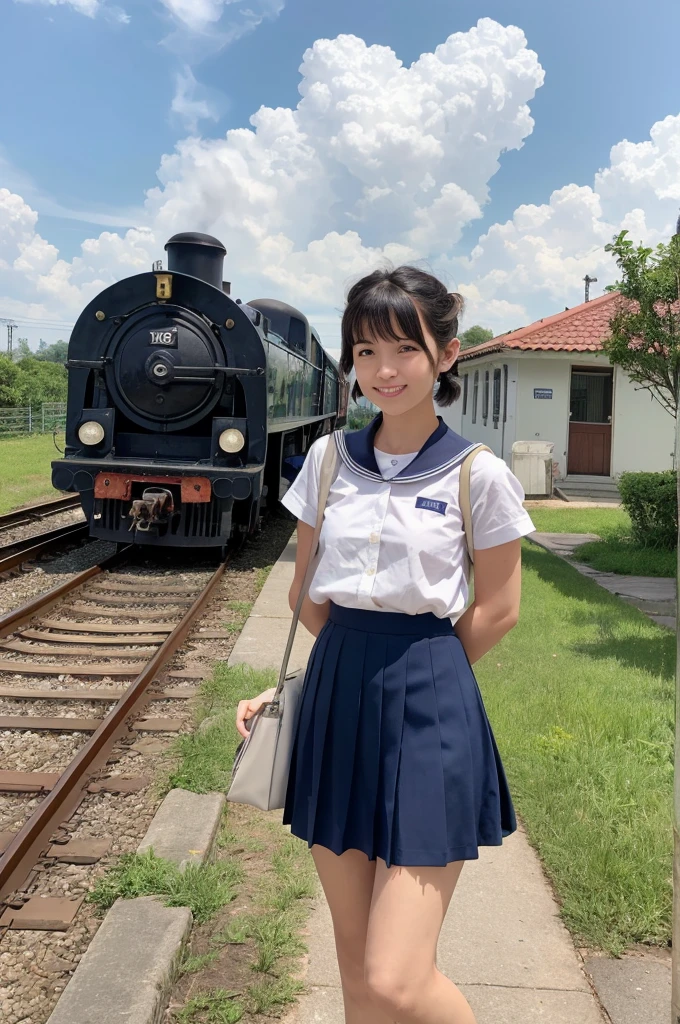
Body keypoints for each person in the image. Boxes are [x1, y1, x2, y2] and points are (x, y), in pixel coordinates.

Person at [236, 265, 536, 1024]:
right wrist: (309, 686)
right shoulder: (330, 462)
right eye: (365, 352)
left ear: (448, 354)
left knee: (398, 976)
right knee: (356, 962)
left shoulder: (480, 474)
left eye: (404, 347)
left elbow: (499, 609)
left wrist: (415, 676)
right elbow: (306, 593)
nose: (384, 370)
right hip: (337, 701)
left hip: (432, 710)